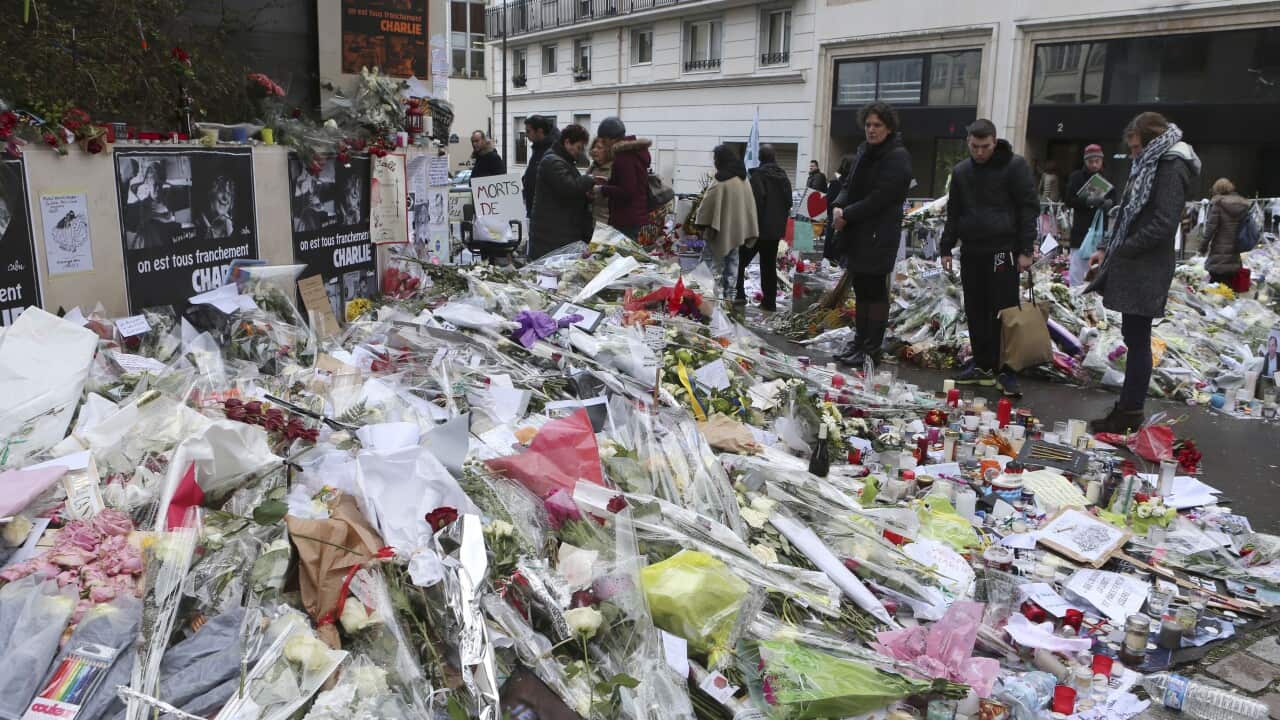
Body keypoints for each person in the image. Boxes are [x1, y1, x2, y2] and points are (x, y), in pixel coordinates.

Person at [1085, 112, 1200, 433]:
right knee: (1134, 336)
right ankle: (1127, 408)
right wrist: (1110, 245)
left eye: (1135, 147)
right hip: (1136, 262)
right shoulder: (1151, 163)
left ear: (1151, 142)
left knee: (1137, 339)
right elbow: (1127, 211)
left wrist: (1125, 248)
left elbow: (1164, 222)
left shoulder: (1171, 166)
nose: (1132, 153)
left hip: (1146, 264)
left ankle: (1130, 411)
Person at [939, 118, 1039, 397]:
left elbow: (1027, 208)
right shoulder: (961, 172)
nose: (979, 152)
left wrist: (1026, 249)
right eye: (974, 147)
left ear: (995, 142)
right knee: (975, 309)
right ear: (968, 144)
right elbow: (954, 212)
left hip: (1003, 249)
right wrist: (946, 247)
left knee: (1004, 310)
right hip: (972, 249)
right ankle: (983, 365)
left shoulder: (1014, 166)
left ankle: (1006, 370)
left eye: (984, 147)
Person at [830, 101, 913, 366]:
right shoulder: (864, 152)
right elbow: (848, 184)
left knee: (874, 292)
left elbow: (882, 198)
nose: (871, 129)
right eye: (868, 124)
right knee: (861, 290)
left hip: (879, 234)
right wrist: (838, 207)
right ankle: (859, 340)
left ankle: (870, 347)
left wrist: (847, 214)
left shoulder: (897, 156)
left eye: (877, 125)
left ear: (888, 128)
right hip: (859, 233)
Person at [693, 145, 758, 299]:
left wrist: (700, 223)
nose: (714, 161)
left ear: (720, 160)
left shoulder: (721, 180)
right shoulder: (743, 179)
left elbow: (707, 204)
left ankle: (706, 297)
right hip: (737, 231)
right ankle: (729, 298)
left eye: (715, 158)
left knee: (709, 265)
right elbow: (749, 205)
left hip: (718, 231)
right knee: (732, 265)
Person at [529, 123, 599, 259]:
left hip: (558, 233)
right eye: (578, 147)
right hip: (552, 236)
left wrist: (586, 195)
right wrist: (589, 179)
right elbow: (569, 188)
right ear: (567, 142)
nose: (579, 152)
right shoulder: (552, 161)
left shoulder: (563, 161)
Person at [736, 144, 792, 311]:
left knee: (740, 261)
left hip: (757, 230)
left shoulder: (758, 176)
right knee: (768, 266)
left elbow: (754, 204)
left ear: (760, 158)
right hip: (774, 231)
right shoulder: (784, 177)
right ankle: (769, 302)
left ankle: (739, 295)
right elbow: (789, 201)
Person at [1065, 144, 1119, 285]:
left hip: (1102, 232)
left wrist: (1108, 203)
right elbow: (1069, 200)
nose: (1094, 165)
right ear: (1085, 161)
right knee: (1077, 272)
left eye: (1097, 161)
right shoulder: (1076, 177)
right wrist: (1088, 201)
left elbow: (1115, 201)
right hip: (1081, 230)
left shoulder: (1108, 176)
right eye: (1091, 162)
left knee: (1098, 272)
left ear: (1102, 161)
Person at [596, 116, 651, 241]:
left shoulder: (624, 157)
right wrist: (608, 183)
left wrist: (602, 189)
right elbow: (629, 183)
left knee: (623, 258)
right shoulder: (634, 153)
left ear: (612, 139)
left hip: (626, 219)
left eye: (604, 141)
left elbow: (627, 191)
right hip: (634, 216)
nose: (604, 146)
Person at [1202, 177, 1249, 286]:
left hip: (1219, 254)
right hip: (1235, 253)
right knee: (1229, 287)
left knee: (1215, 290)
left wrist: (1202, 247)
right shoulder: (1242, 206)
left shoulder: (1218, 205)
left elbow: (1210, 229)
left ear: (1216, 189)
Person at [521, 115, 558, 216]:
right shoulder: (538, 147)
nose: (526, 135)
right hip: (533, 206)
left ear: (539, 131)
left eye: (528, 131)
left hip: (544, 211)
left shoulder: (551, 150)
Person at [822, 155, 853, 264]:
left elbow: (828, 199)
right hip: (845, 218)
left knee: (832, 245)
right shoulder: (850, 181)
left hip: (834, 217)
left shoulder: (836, 179)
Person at [587, 137, 613, 227]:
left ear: (608, 150)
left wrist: (599, 190)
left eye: (599, 148)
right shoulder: (593, 167)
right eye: (593, 147)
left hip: (605, 221)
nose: (594, 150)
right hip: (590, 220)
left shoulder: (614, 168)